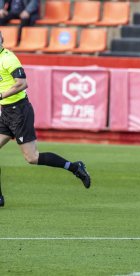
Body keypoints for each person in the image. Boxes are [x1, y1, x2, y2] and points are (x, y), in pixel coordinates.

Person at [0, 31, 91, 208]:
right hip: (6, 112)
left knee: (32, 157)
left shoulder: (8, 58)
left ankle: (74, 167)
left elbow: (22, 83)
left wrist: (2, 95)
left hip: (19, 111)